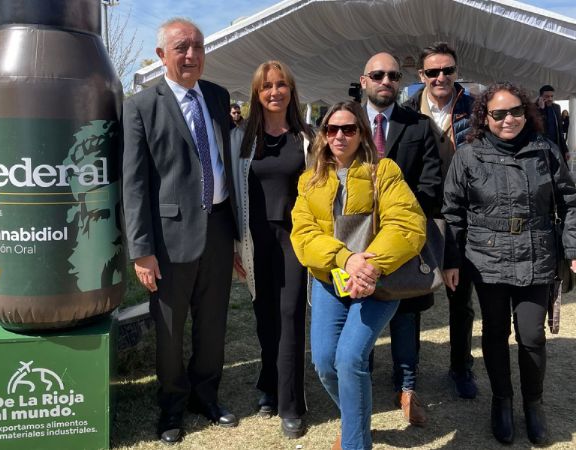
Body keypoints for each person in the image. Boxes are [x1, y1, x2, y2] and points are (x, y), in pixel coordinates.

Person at [122, 18, 238, 444]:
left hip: (220, 228)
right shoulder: (140, 106)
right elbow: (133, 184)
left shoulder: (217, 96)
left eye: (198, 46)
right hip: (168, 241)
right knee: (170, 331)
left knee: (213, 323)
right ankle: (171, 406)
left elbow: (227, 162)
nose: (191, 55)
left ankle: (205, 396)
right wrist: (141, 250)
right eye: (181, 47)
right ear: (161, 56)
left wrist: (238, 237)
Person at [443, 81, 576, 445]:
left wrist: (573, 248)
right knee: (496, 333)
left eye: (516, 111)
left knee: (532, 335)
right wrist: (451, 259)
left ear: (526, 112)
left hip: (537, 253)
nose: (508, 119)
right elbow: (453, 211)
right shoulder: (468, 155)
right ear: (484, 117)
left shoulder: (545, 150)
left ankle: (534, 403)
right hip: (487, 257)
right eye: (498, 114)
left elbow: (570, 202)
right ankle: (502, 400)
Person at [291, 101, 427, 450]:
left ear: (361, 134)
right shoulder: (309, 181)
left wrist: (371, 265)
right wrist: (344, 259)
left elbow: (408, 223)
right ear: (322, 135)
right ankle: (357, 421)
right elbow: (303, 234)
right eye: (332, 129)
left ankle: (355, 441)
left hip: (379, 283)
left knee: (350, 358)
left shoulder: (385, 171)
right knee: (325, 363)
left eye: (348, 129)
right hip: (330, 281)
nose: (340, 135)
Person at [230, 60, 314, 439]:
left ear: (291, 91)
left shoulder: (308, 138)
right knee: (264, 318)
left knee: (291, 316)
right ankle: (269, 382)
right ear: (257, 94)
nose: (275, 92)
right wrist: (235, 244)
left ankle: (291, 404)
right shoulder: (241, 138)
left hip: (296, 239)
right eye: (267, 87)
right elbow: (232, 193)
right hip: (256, 239)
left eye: (281, 85)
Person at [361, 51, 442, 425]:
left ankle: (406, 385)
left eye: (393, 76)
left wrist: (400, 226)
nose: (386, 81)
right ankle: (360, 373)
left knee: (406, 312)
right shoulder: (344, 123)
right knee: (358, 311)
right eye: (378, 74)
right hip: (355, 240)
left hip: (404, 239)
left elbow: (430, 185)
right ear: (364, 81)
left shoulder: (418, 125)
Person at [403, 41, 478, 400]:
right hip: (420, 215)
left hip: (462, 216)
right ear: (422, 75)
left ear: (456, 71)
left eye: (447, 70)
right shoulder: (406, 110)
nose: (441, 77)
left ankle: (461, 366)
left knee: (460, 297)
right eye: (432, 72)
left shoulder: (475, 111)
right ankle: (408, 367)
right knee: (411, 294)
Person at [537, 85, 569, 161]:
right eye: (547, 96)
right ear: (541, 97)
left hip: (556, 146)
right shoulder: (534, 108)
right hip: (541, 148)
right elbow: (538, 127)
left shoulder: (556, 107)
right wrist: (541, 109)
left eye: (552, 96)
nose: (550, 99)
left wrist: (565, 150)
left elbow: (560, 130)